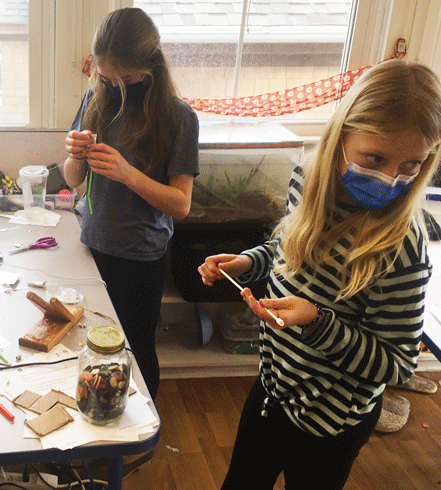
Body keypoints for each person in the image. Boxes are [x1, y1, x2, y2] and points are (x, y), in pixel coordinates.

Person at [197, 58, 441, 489]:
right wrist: (249, 262)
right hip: (273, 389)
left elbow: (397, 364)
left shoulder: (402, 248)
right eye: (375, 157)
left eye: (411, 165)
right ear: (340, 134)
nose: (390, 180)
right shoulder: (306, 181)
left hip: (331, 425)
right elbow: (286, 248)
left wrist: (317, 321)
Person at [62, 7, 199, 401]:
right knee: (93, 343)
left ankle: (139, 435)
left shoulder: (178, 117)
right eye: (106, 77)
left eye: (125, 79)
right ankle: (101, 414)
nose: (115, 86)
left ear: (149, 66)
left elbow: (181, 205)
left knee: (136, 348)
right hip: (94, 245)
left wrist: (127, 174)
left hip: (140, 257)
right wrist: (75, 155)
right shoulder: (96, 97)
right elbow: (73, 180)